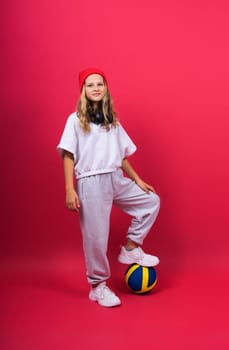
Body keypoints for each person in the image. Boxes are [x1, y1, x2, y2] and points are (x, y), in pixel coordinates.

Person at [57, 68, 160, 307]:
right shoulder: (74, 120)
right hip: (90, 182)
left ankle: (131, 248)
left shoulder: (111, 120)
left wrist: (137, 179)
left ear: (106, 88)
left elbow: (121, 156)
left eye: (99, 84)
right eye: (90, 84)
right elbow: (68, 155)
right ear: (83, 90)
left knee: (151, 201)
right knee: (96, 237)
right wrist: (69, 189)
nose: (95, 88)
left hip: (115, 177)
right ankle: (98, 286)